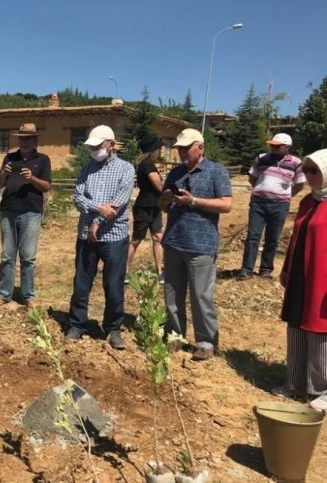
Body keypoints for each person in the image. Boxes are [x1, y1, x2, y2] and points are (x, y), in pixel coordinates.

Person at [160, 128, 232, 361]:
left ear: (199, 148)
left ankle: (205, 342)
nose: (181, 152)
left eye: (185, 148)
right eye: (179, 148)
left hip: (201, 245)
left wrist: (193, 202)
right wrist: (167, 199)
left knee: (201, 296)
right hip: (174, 242)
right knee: (172, 294)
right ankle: (175, 335)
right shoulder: (175, 173)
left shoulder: (216, 171)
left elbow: (226, 204)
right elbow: (163, 206)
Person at [67, 125, 134, 349]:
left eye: (98, 145)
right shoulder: (87, 169)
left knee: (114, 284)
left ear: (111, 145)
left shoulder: (126, 169)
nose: (94, 150)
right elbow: (78, 197)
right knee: (81, 282)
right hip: (86, 236)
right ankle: (77, 324)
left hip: (114, 236)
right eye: (92, 146)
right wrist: (97, 208)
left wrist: (97, 222)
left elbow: (119, 202)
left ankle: (113, 328)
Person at [273, 149, 327, 411]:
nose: (307, 175)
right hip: (299, 274)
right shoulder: (307, 202)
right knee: (295, 324)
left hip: (322, 279)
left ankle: (322, 389)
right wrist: (285, 268)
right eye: (305, 169)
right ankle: (295, 382)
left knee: (319, 331)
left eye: (313, 170)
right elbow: (296, 239)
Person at [0, 123, 51, 308]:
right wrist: (5, 174)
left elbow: (47, 186)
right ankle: (4, 294)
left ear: (35, 140)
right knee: (7, 255)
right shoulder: (9, 157)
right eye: (22, 138)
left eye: (28, 138)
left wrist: (32, 178)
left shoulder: (43, 159)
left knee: (28, 256)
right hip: (8, 209)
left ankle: (28, 296)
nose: (24, 141)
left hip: (31, 211)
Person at [237, 133, 305, 280]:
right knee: (253, 236)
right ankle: (247, 269)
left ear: (287, 147)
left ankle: (266, 269)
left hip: (280, 205)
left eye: (277, 145)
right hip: (258, 204)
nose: (272, 147)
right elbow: (252, 177)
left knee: (272, 238)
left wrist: (285, 195)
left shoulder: (296, 163)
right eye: (272, 145)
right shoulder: (261, 158)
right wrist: (261, 190)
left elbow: (300, 184)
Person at [126, 132, 165, 282]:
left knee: (157, 238)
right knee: (136, 239)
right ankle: (125, 271)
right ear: (153, 150)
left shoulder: (148, 164)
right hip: (145, 207)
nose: (160, 151)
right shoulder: (147, 165)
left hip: (154, 206)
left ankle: (159, 271)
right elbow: (158, 185)